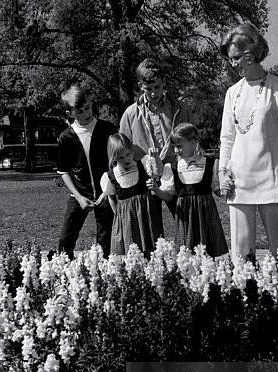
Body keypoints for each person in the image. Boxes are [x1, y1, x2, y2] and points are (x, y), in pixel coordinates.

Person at [219, 23, 278, 262]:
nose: (232, 64)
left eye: (235, 58)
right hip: (238, 181)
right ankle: (243, 295)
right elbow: (227, 138)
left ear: (250, 55)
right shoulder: (232, 93)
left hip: (274, 179)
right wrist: (223, 171)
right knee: (241, 254)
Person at [56, 85, 116, 259]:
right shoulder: (66, 137)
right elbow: (64, 172)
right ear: (70, 113)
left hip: (106, 193)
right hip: (79, 194)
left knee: (106, 241)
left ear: (91, 103)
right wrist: (79, 197)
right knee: (65, 240)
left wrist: (109, 190)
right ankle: (64, 275)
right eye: (80, 111)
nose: (86, 113)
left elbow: (117, 162)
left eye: (88, 107)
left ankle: (103, 274)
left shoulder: (107, 129)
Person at [159, 123, 228, 257]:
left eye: (180, 146)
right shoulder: (173, 167)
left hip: (205, 214)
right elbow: (168, 195)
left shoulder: (209, 163)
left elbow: (217, 189)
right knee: (187, 250)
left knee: (208, 250)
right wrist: (156, 190)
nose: (176, 151)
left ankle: (209, 275)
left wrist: (226, 188)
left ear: (194, 142)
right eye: (174, 147)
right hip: (185, 215)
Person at [100, 133, 168, 258]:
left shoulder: (142, 164)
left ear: (132, 151)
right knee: (131, 248)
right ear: (113, 157)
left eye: (128, 154)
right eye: (120, 157)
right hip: (127, 217)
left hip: (146, 215)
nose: (126, 159)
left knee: (151, 247)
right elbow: (111, 198)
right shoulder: (110, 176)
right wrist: (118, 215)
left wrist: (155, 157)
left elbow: (158, 171)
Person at [119, 57, 194, 169]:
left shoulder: (180, 109)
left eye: (157, 87)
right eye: (148, 89)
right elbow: (123, 149)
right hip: (145, 177)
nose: (153, 93)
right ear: (140, 86)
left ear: (163, 82)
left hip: (178, 171)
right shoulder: (130, 114)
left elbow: (193, 140)